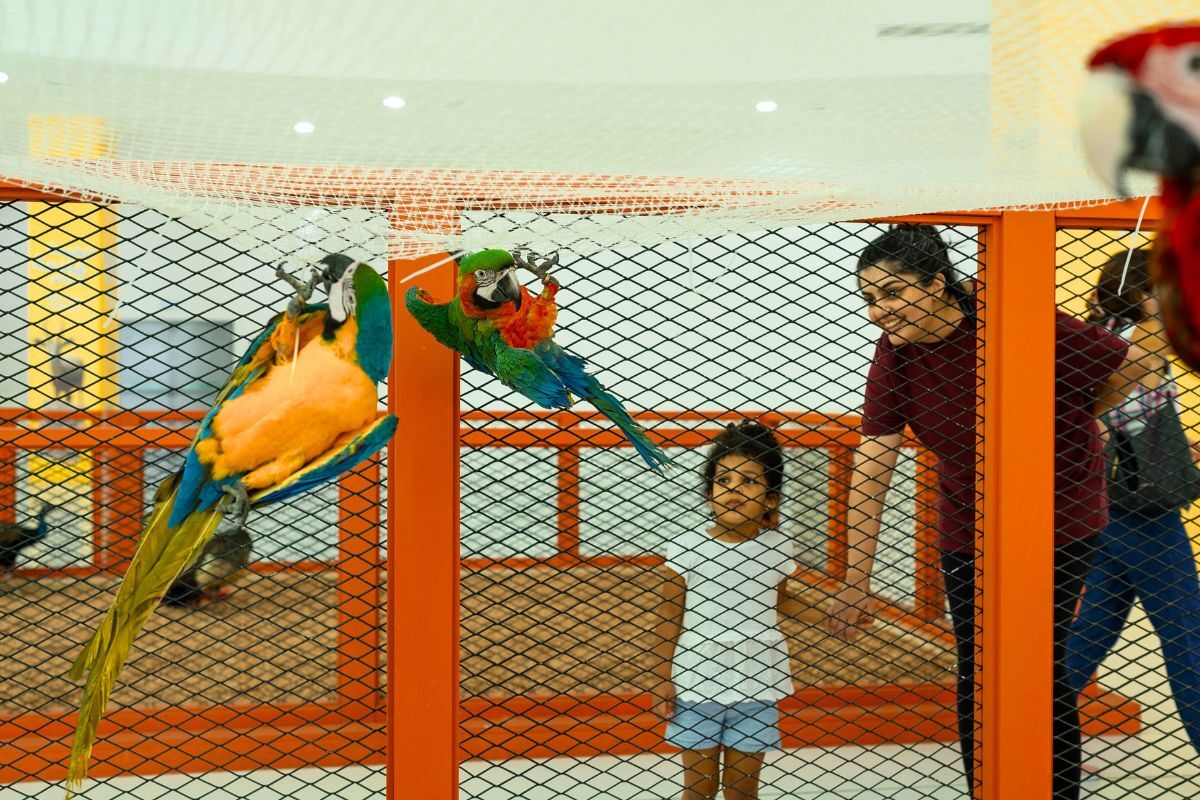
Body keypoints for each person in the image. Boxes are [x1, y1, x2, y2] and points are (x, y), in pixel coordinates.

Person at [824, 224, 1149, 799]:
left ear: (939, 285)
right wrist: (856, 581)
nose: (879, 312)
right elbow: (874, 462)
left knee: (1038, 666)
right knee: (979, 671)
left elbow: (1127, 364)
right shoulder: (895, 355)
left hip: (1061, 512)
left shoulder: (1017, 318)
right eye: (869, 298)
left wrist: (1079, 407)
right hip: (967, 521)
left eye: (893, 294)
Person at [1065, 248, 1200, 757]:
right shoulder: (1140, 341)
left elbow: (1121, 420)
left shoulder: (1099, 337)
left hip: (1103, 507)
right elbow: (1104, 420)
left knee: (1086, 637)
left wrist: (1176, 449)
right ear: (1147, 294)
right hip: (1145, 514)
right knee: (1189, 637)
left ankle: (1027, 739)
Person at [651, 420, 797, 800]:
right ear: (710, 492)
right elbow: (669, 618)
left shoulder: (777, 547)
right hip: (696, 687)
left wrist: (834, 615)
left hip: (757, 686)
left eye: (748, 480)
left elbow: (782, 601)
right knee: (699, 790)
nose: (734, 490)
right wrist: (661, 678)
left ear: (771, 497)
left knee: (742, 791)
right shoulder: (686, 548)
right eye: (725, 481)